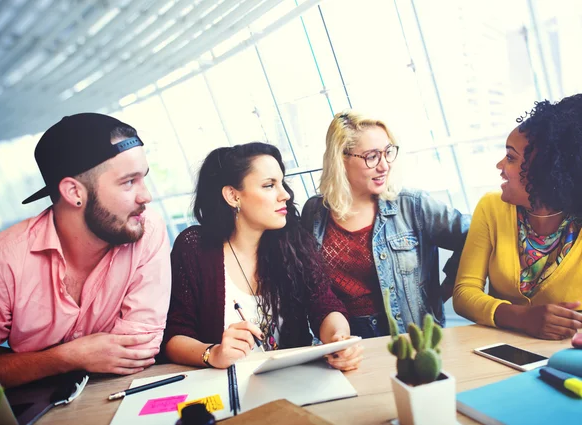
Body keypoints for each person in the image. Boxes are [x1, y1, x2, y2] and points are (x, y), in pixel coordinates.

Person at [0, 113, 171, 387]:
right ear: (74, 192)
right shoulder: (0, 261)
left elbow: (137, 351)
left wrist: (29, 365)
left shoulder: (147, 229)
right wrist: (65, 358)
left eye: (143, 178)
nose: (146, 196)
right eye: (129, 182)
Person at [163, 142, 363, 371]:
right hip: (225, 387)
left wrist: (339, 339)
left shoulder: (293, 239)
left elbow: (324, 305)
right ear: (232, 195)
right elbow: (174, 337)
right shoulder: (194, 247)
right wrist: (213, 353)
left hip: (294, 380)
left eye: (282, 183)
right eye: (269, 185)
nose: (285, 194)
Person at [302, 111, 470, 337]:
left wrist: (446, 288)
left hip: (412, 338)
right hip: (348, 339)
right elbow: (315, 288)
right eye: (372, 156)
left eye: (388, 152)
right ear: (341, 158)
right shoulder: (314, 212)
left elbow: (474, 236)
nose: (384, 166)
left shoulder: (413, 205)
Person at [453, 95, 582, 340]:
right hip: (501, 352)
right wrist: (520, 318)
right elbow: (464, 293)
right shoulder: (491, 208)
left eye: (511, 158)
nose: (500, 165)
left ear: (546, 168)